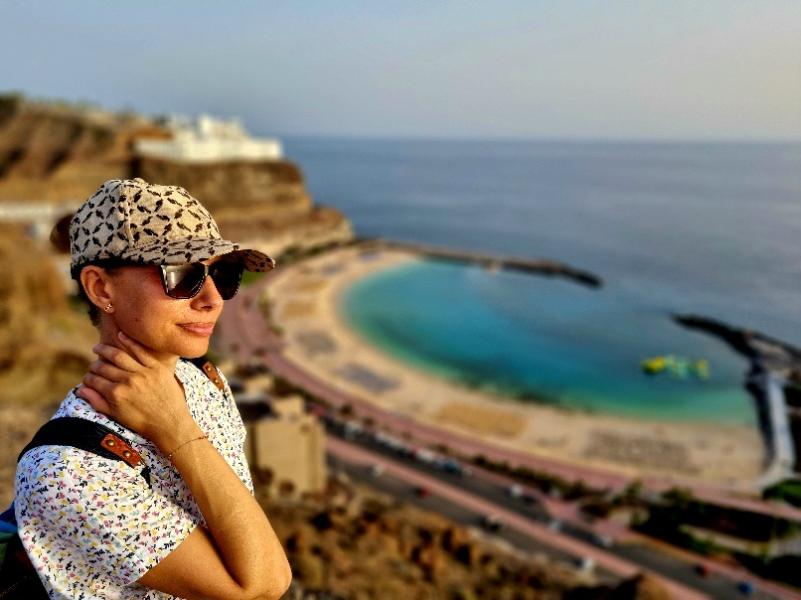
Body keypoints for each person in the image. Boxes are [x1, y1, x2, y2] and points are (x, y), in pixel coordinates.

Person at [13, 178, 292, 599]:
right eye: (181, 275)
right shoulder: (66, 472)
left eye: (223, 273)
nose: (213, 299)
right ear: (100, 287)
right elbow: (260, 586)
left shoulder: (204, 381)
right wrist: (175, 429)